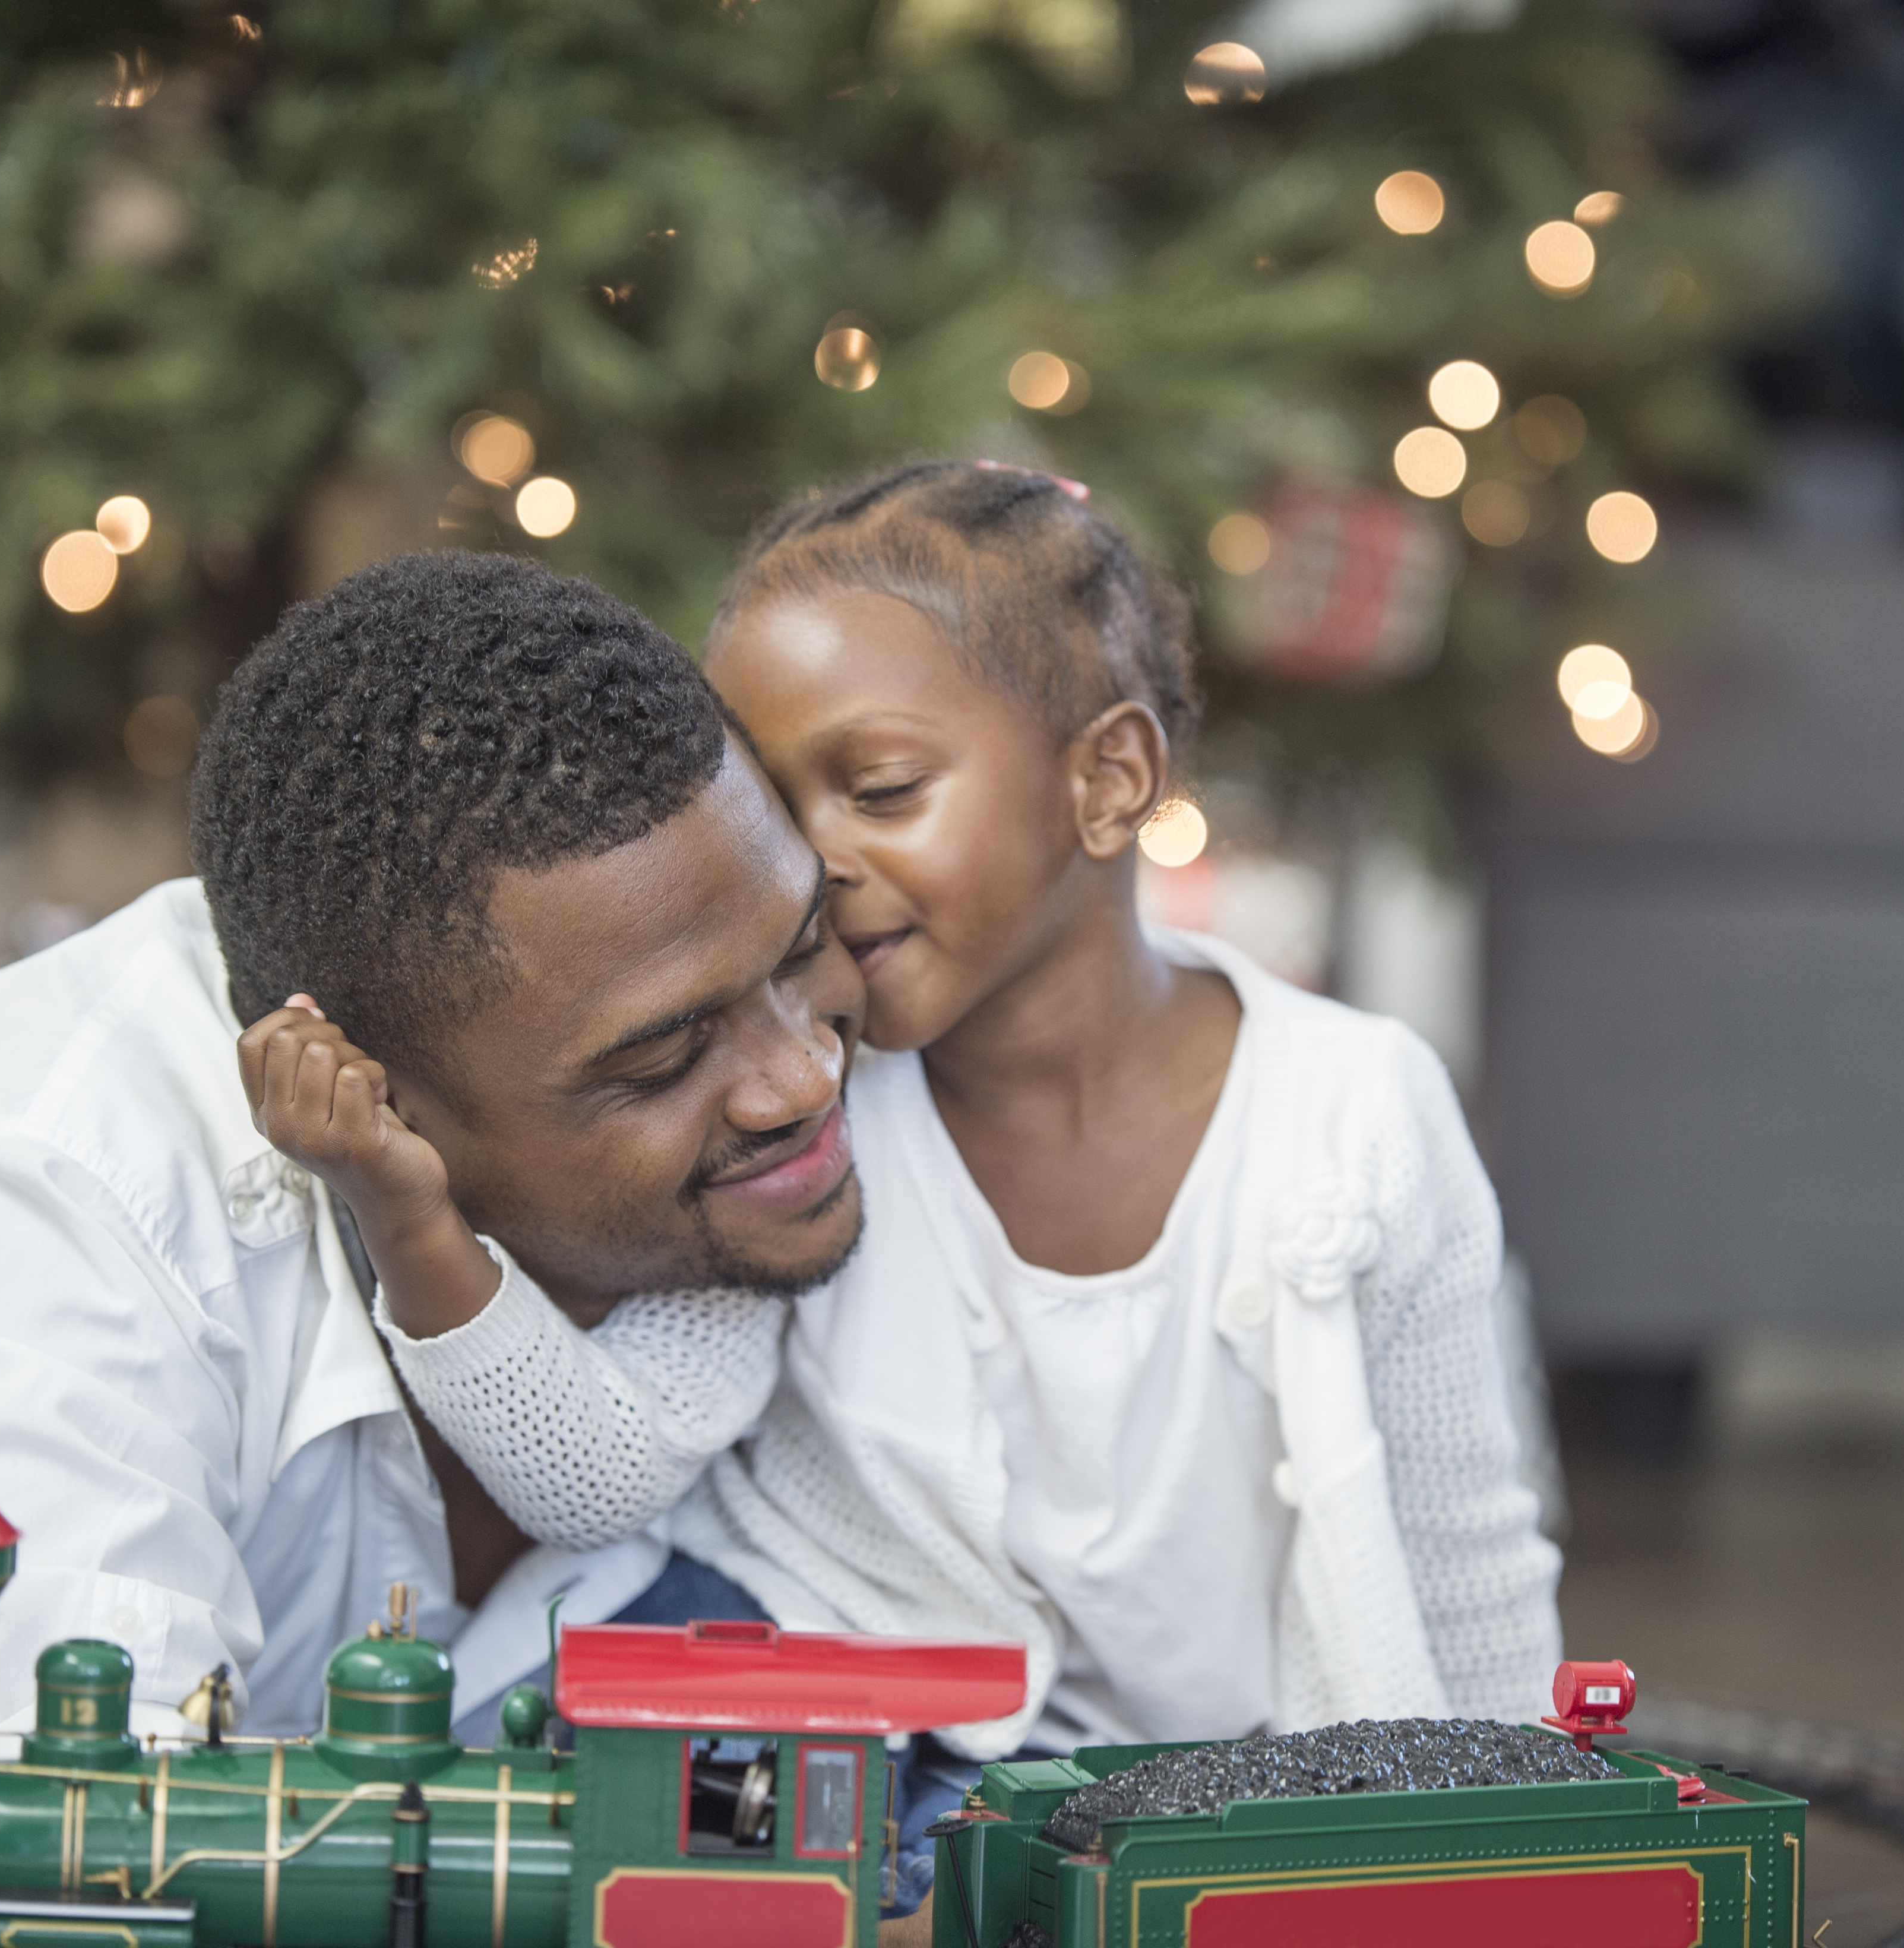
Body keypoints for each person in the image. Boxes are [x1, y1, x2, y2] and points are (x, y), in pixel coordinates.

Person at [397, 460, 1564, 1927]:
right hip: (837, 1705)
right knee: (652, 1798)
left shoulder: (1356, 1110)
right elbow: (600, 1470)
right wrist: (416, 1227)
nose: (814, 862)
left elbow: (1461, 1541)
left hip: (1191, 1791)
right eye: (772, 805)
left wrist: (1528, 1842)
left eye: (879, 787)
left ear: (1109, 779)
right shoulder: (802, 1104)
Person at [0, 553, 857, 1903]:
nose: (805, 1077)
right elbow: (72, 1891)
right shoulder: (12, 1251)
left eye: (801, 948)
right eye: (666, 1054)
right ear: (369, 1100)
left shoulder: (772, 1051)